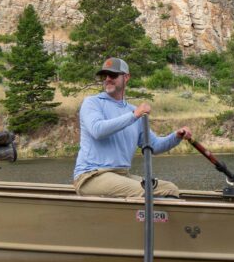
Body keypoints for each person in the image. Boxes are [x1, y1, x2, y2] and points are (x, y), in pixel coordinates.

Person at [73, 57, 192, 198]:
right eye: (104, 76)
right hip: (91, 176)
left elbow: (154, 146)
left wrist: (176, 136)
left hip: (122, 175)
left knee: (170, 189)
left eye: (113, 75)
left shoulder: (133, 111)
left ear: (126, 77)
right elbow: (97, 130)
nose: (108, 79)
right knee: (146, 192)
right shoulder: (92, 103)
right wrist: (134, 115)